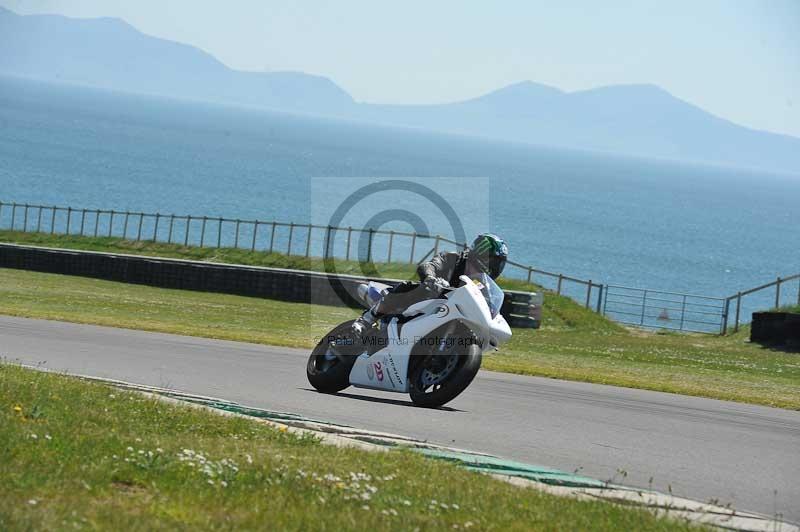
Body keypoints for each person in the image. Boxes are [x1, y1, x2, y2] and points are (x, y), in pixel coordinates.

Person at [351, 233, 509, 337]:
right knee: (413, 287)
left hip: (445, 315)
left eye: (499, 263)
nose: (495, 267)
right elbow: (429, 265)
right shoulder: (452, 259)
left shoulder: (481, 282)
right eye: (493, 261)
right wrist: (430, 278)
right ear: (481, 254)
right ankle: (366, 319)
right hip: (425, 301)